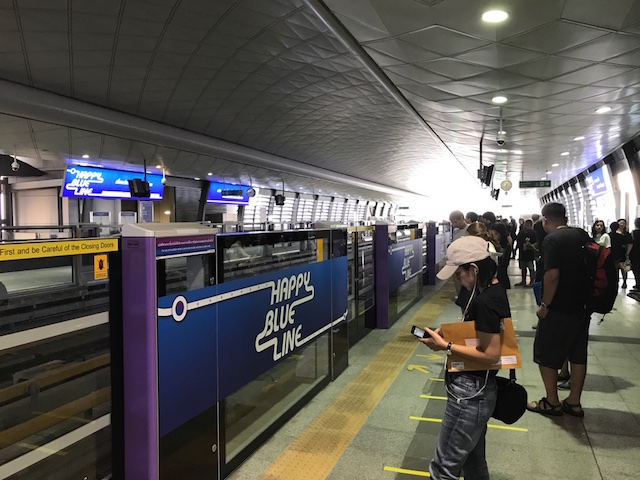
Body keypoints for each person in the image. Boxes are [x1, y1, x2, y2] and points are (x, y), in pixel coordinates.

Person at [421, 235, 508, 480]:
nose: (458, 280)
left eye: (459, 274)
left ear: (474, 269)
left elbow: (491, 354)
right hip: (478, 391)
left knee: (443, 468)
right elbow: (480, 334)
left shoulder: (486, 301)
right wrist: (450, 333)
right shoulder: (491, 290)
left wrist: (446, 345)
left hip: (470, 395)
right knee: (473, 463)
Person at [527, 202, 589, 418]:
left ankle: (552, 402)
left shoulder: (552, 240)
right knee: (578, 354)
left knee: (545, 354)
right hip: (582, 306)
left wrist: (544, 306)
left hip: (559, 307)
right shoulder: (582, 235)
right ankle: (574, 402)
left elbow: (552, 276)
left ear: (545, 219)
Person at [514, 219, 536, 286]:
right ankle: (523, 281)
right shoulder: (521, 232)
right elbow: (518, 241)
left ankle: (532, 281)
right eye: (525, 225)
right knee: (523, 267)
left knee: (531, 267)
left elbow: (536, 242)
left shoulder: (533, 233)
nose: (526, 227)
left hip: (530, 252)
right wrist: (516, 249)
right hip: (522, 252)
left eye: (528, 225)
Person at [492, 222, 512, 290]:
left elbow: (504, 263)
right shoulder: (493, 245)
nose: (494, 236)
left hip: (501, 276)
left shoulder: (506, 246)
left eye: (496, 234)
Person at [617, 219, 633, 289]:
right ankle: (616, 282)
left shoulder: (627, 234)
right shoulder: (614, 233)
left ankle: (624, 282)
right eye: (621, 223)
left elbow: (630, 243)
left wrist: (627, 253)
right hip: (615, 252)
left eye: (623, 223)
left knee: (624, 269)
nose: (622, 224)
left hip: (623, 252)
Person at [629, 217, 640, 291]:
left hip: (635, 253)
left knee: (636, 270)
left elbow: (630, 244)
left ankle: (637, 284)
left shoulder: (633, 233)